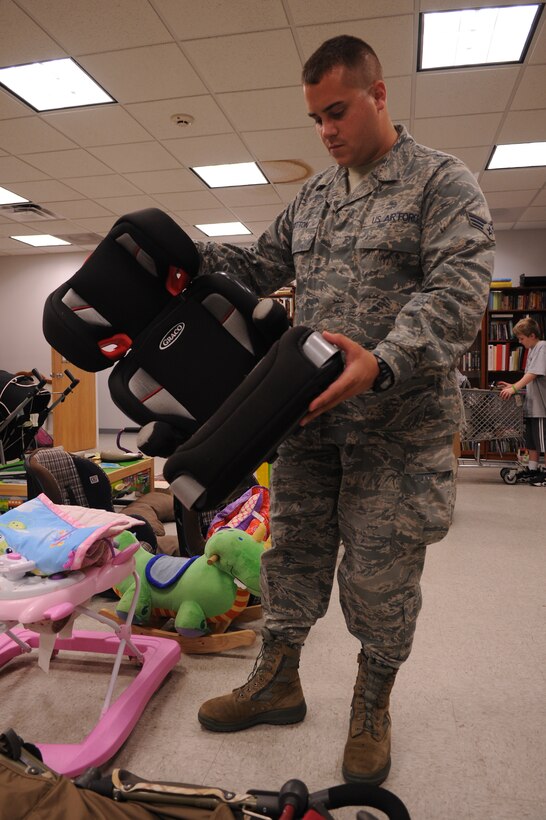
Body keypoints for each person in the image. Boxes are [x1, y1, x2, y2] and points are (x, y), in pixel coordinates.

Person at [194, 35, 494, 785]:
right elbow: (259, 265)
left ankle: (372, 704)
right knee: (289, 553)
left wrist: (383, 359)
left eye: (337, 111)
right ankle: (278, 681)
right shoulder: (316, 197)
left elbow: (459, 295)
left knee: (380, 577)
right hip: (312, 419)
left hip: (399, 428)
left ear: (378, 94)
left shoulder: (441, 184)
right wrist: (181, 254)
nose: (326, 131)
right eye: (316, 119)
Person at [499, 317, 546, 484]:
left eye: (522, 338)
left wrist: (514, 388)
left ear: (532, 335)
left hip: (542, 407)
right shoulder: (532, 349)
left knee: (543, 440)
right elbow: (531, 379)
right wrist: (513, 385)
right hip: (533, 406)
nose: (520, 342)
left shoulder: (542, 346)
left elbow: (533, 374)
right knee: (532, 440)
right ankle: (533, 469)